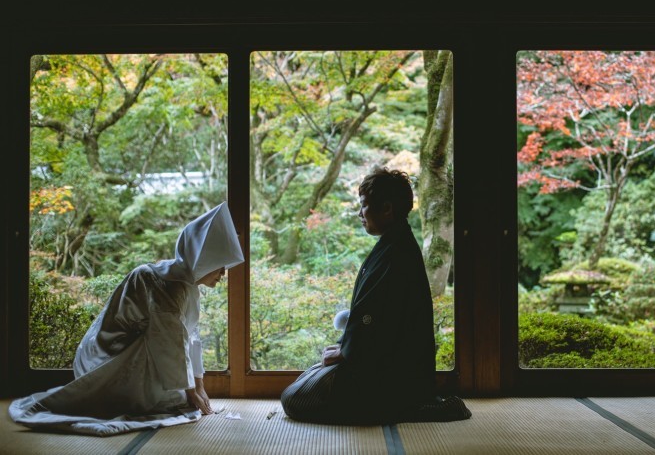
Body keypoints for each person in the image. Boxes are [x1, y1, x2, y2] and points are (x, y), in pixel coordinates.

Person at [9, 201, 244, 436]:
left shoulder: (185, 284)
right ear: (203, 261)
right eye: (220, 266)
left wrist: (198, 384)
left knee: (178, 392)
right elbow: (170, 343)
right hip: (107, 357)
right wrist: (191, 391)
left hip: (128, 349)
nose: (223, 274)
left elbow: (189, 336)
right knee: (175, 395)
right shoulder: (169, 285)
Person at [281, 168, 471, 425]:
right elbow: (373, 316)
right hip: (384, 365)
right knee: (307, 381)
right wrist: (344, 347)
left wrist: (346, 352)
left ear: (387, 209)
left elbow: (373, 319)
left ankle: (406, 410)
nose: (360, 214)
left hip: (387, 375)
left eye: (364, 206)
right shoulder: (396, 244)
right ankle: (402, 406)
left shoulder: (396, 253)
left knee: (294, 399)